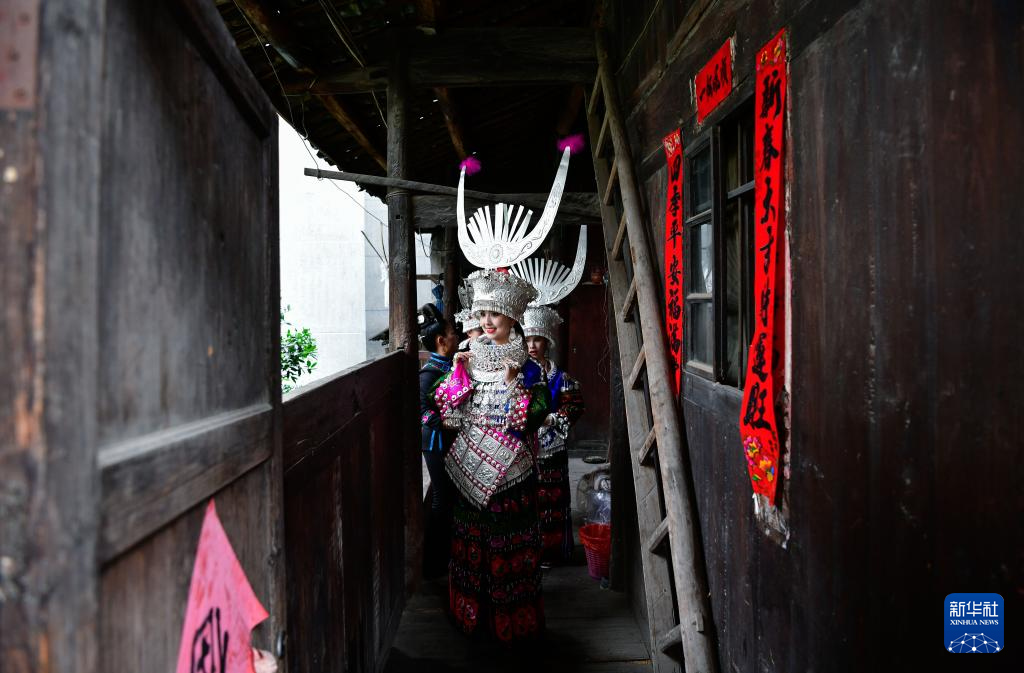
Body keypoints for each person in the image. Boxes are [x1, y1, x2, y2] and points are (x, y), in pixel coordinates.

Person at [434, 269, 550, 643]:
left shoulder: (530, 368)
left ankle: (513, 624)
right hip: (468, 471)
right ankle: (472, 619)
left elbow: (534, 418)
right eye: (482, 313)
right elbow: (446, 413)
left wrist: (514, 382)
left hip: (512, 476)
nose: (486, 321)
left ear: (512, 318)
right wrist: (456, 373)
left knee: (509, 546)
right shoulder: (466, 360)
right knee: (469, 545)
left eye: (495, 314)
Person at [522, 305, 585, 564]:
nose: (532, 345)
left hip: (553, 446)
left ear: (547, 342)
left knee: (554, 499)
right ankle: (530, 552)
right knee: (528, 500)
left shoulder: (561, 377)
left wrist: (553, 419)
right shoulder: (519, 374)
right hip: (526, 447)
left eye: (537, 339)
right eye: (527, 339)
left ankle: (554, 551)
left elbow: (575, 406)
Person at [418, 303, 460, 577]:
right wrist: (446, 422)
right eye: (452, 333)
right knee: (440, 498)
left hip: (447, 440)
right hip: (435, 442)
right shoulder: (430, 373)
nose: (456, 336)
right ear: (441, 341)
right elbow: (422, 411)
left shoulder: (448, 366)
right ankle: (433, 563)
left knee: (445, 496)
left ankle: (444, 555)